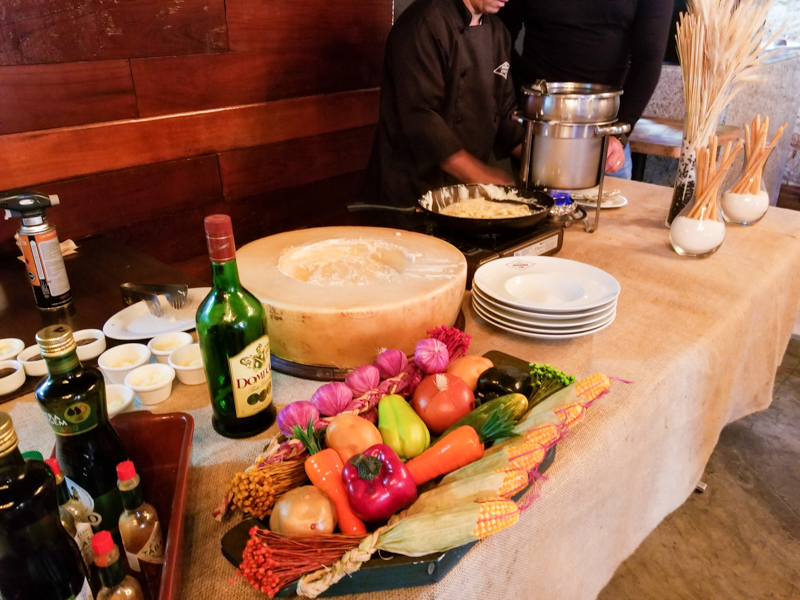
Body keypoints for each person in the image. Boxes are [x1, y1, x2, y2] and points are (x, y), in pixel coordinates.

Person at [365, 0, 524, 208]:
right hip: (411, 196)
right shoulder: (424, 24)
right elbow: (421, 119)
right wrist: (483, 177)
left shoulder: (498, 33)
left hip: (465, 197)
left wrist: (549, 165)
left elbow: (504, 114)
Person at [498, 0, 673, 179]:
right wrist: (526, 94)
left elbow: (648, 60)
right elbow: (499, 37)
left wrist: (619, 134)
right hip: (537, 129)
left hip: (604, 136)